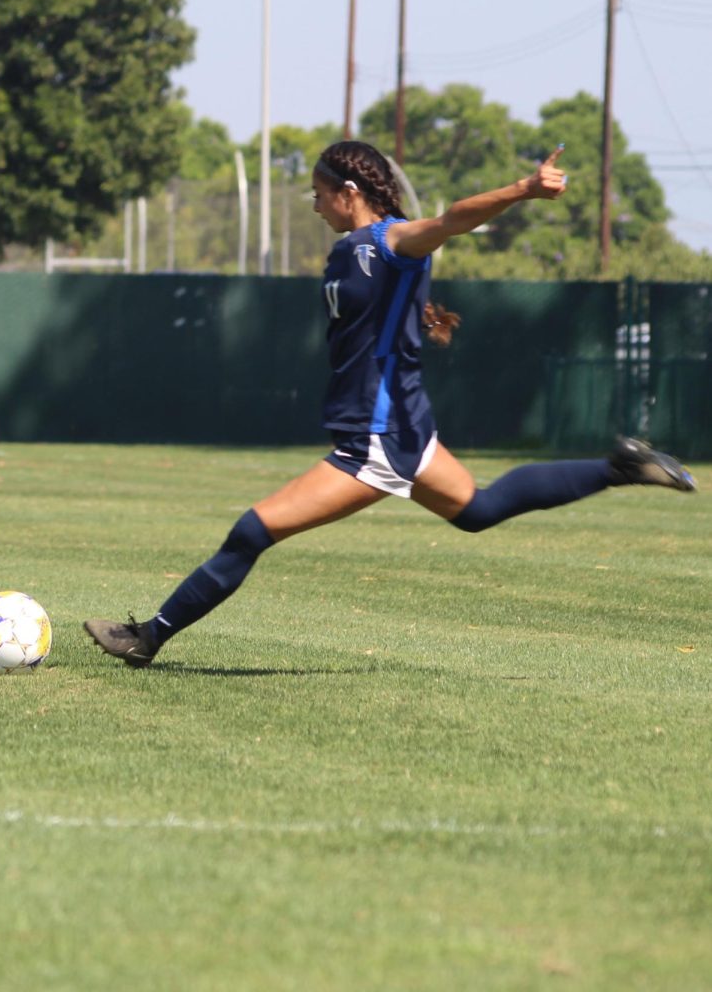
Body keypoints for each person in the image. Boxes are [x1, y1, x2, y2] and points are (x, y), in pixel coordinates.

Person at [84, 139, 695, 668]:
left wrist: (525, 188)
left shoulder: (388, 241)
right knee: (477, 510)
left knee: (252, 531)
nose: (316, 205)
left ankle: (147, 638)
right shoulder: (351, 248)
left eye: (320, 194)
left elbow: (454, 218)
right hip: (399, 426)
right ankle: (619, 467)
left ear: (350, 191)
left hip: (376, 440)